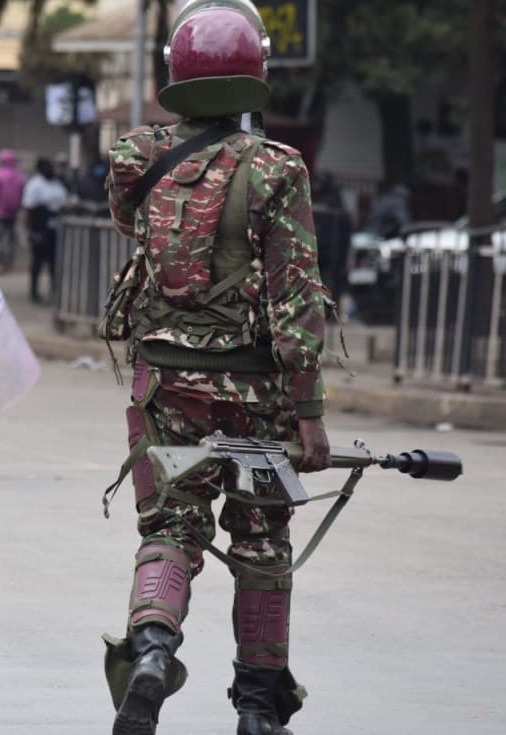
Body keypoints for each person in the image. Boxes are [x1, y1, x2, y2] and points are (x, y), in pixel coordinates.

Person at [101, 2, 331, 734]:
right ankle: (260, 707)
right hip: (255, 395)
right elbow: (296, 298)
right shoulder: (277, 169)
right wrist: (309, 410)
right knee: (262, 537)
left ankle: (151, 647)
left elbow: (132, 230)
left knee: (171, 524)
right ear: (256, 70)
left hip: (166, 386)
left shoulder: (138, 160)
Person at [22, 157, 68, 304]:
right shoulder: (35, 185)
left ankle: (55, 292)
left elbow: (64, 200)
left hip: (55, 226)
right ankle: (34, 292)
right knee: (37, 261)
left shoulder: (57, 184)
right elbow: (28, 209)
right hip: (40, 226)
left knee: (54, 262)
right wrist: (30, 230)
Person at [311, 171, 353, 302]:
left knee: (329, 281)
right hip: (332, 250)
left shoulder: (329, 204)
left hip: (329, 249)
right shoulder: (336, 203)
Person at [0, 148, 26, 273]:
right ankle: (9, 263)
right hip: (13, 212)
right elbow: (22, 195)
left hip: (0, 211)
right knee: (10, 238)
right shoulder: (19, 176)